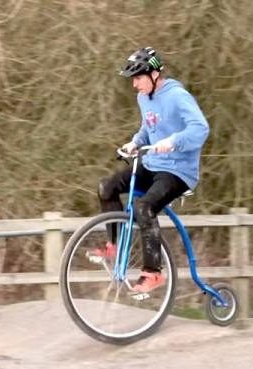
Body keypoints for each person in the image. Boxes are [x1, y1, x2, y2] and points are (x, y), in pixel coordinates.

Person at [93, 46, 210, 293]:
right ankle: (113, 245)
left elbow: (200, 129)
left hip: (178, 172)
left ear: (154, 75)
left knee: (143, 207)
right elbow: (149, 128)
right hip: (152, 165)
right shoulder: (143, 97)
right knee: (107, 187)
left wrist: (173, 142)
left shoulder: (178, 96)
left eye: (138, 78)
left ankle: (153, 273)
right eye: (133, 79)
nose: (134, 85)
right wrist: (136, 142)